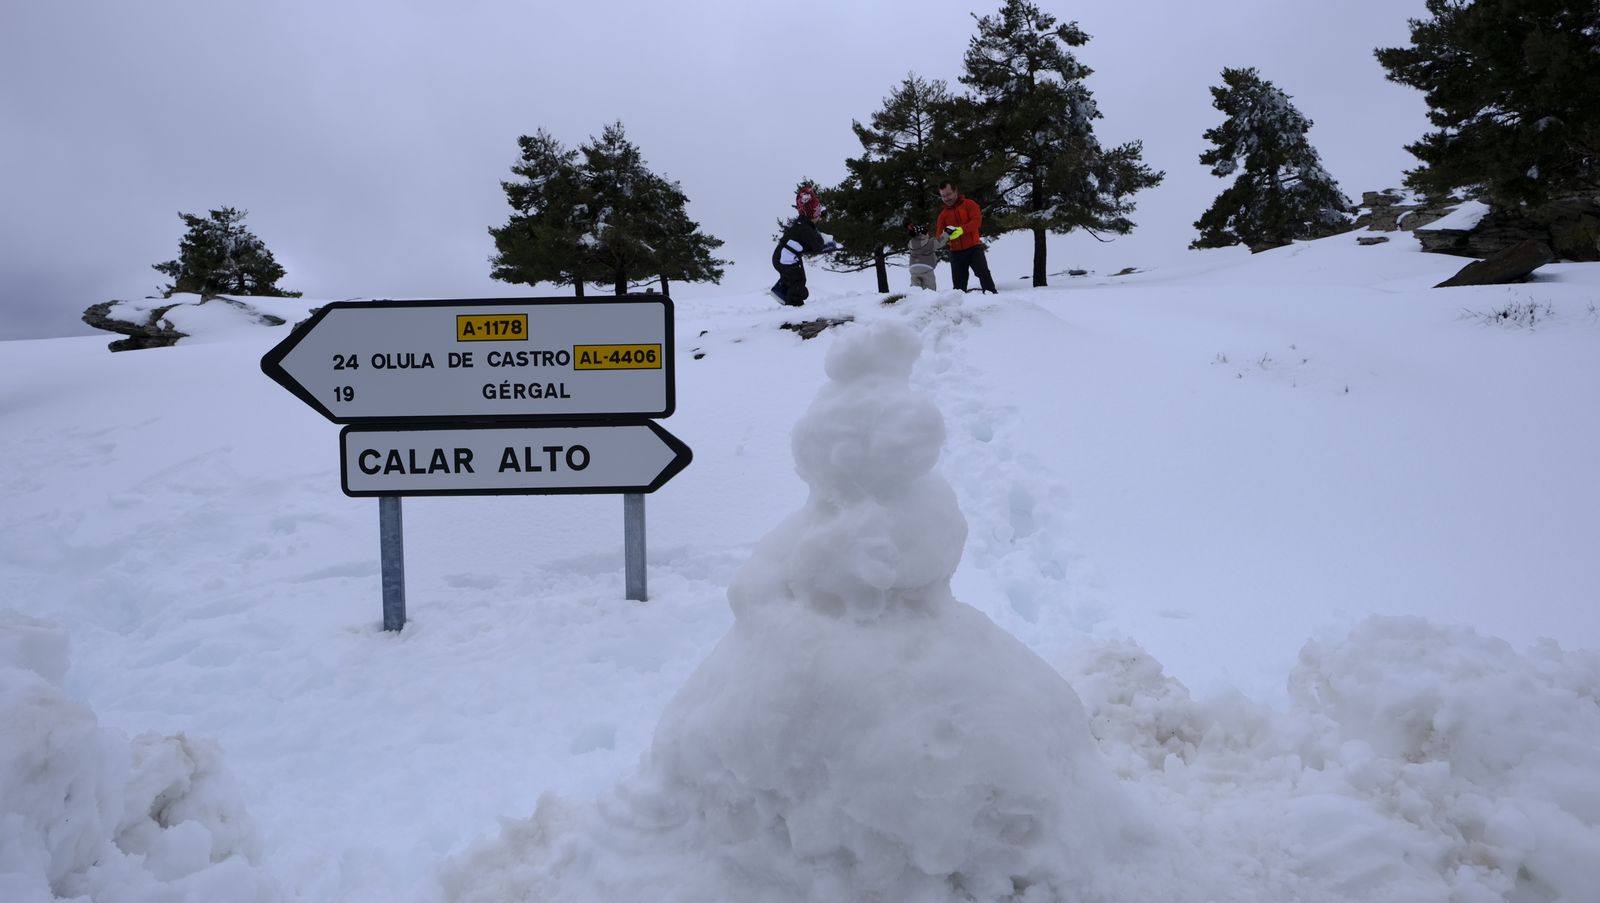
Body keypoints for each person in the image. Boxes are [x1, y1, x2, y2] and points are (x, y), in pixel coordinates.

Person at [771, 187, 836, 306]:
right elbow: (816, 246)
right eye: (817, 213)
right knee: (798, 281)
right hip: (785, 259)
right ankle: (794, 306)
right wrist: (828, 245)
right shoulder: (805, 229)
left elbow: (809, 244)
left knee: (794, 278)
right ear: (812, 214)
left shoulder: (803, 224)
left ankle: (780, 291)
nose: (819, 216)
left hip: (783, 257)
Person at [935, 180, 998, 293]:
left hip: (974, 248)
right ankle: (959, 305)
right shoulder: (942, 215)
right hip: (956, 253)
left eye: (948, 194)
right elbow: (939, 238)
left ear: (955, 191)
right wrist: (946, 235)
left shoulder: (969, 204)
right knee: (958, 289)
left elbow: (976, 222)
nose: (947, 198)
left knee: (984, 275)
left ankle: (994, 298)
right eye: (943, 196)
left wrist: (961, 230)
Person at [905, 220, 940, 290]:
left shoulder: (911, 243)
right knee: (929, 289)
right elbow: (941, 241)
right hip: (926, 267)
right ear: (924, 233)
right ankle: (930, 295)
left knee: (915, 289)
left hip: (913, 268)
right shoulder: (929, 243)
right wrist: (947, 233)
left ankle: (915, 294)